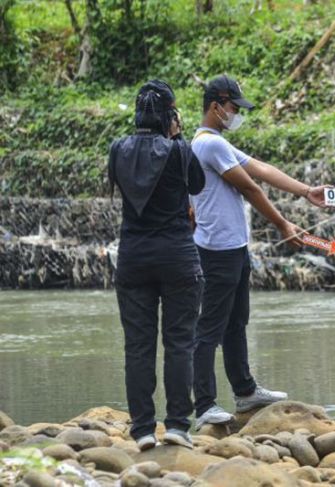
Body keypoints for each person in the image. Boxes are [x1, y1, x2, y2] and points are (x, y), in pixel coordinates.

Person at [191, 75, 329, 430]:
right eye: (234, 108)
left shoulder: (217, 142)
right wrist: (284, 224)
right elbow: (251, 187)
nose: (236, 114)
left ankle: (245, 391)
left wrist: (305, 191)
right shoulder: (208, 145)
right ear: (215, 107)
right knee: (210, 328)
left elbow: (261, 169)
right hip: (216, 251)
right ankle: (204, 403)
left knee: (236, 322)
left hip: (234, 248)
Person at [109, 80, 205, 450]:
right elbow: (195, 185)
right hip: (178, 257)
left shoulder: (117, 149)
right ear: (170, 116)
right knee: (180, 342)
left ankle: (144, 430)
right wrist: (177, 137)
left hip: (133, 258)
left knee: (138, 346)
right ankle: (178, 426)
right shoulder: (179, 151)